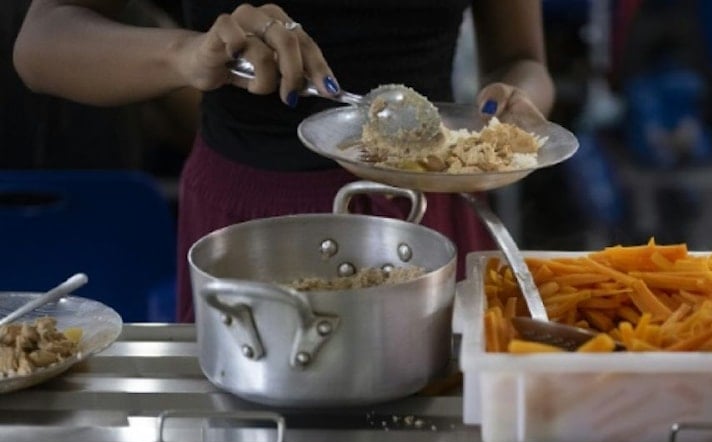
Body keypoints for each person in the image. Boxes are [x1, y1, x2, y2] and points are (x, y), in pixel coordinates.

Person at [13, 1, 555, 322]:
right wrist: (183, 54)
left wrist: (515, 104)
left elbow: (523, 59)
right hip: (247, 229)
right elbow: (43, 39)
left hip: (429, 212)